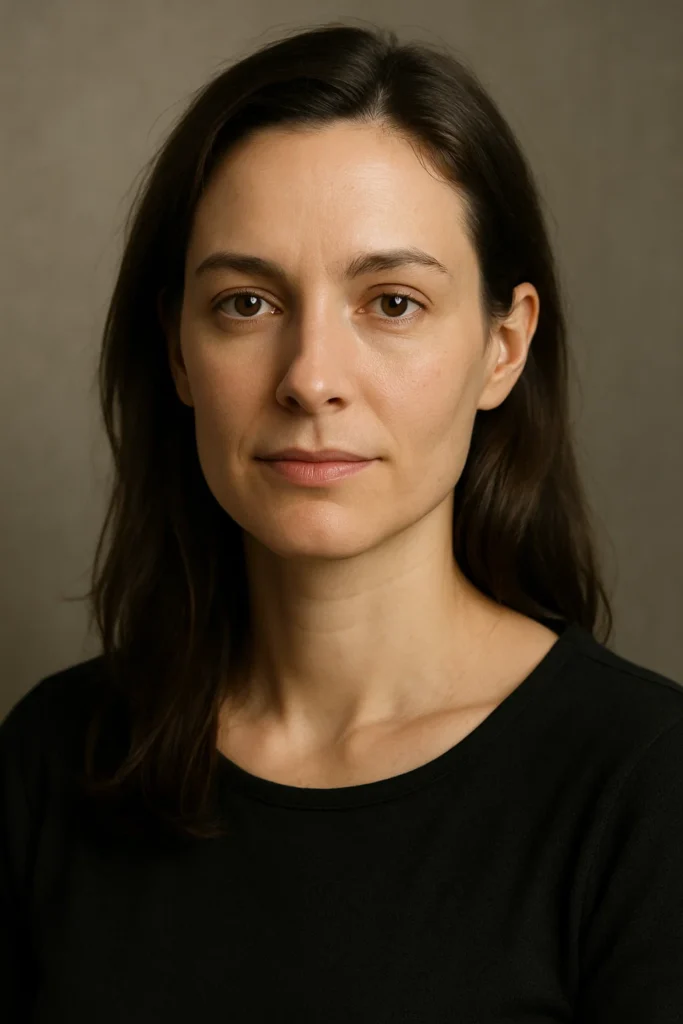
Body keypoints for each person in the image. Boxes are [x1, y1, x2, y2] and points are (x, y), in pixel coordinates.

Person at [2, 20, 682, 1023]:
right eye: (244, 302)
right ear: (179, 355)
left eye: (392, 302)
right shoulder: (49, 762)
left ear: (503, 347)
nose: (311, 377)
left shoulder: (644, 786)